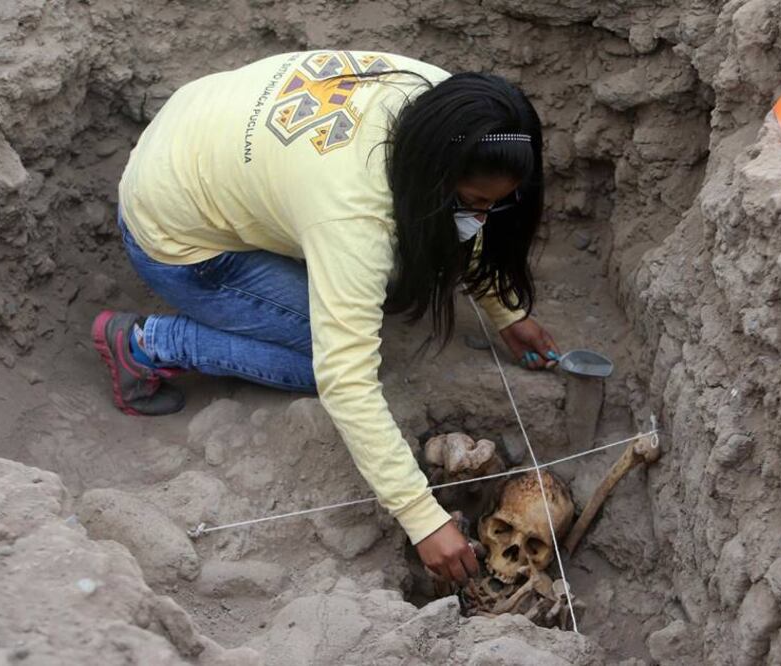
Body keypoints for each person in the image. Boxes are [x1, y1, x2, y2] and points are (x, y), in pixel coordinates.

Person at [91, 50, 561, 584]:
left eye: (495, 206)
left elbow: (470, 215)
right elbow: (346, 379)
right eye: (473, 201)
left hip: (200, 127)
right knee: (318, 362)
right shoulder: (352, 212)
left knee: (377, 277)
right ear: (434, 175)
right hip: (172, 231)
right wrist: (422, 518)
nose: (481, 218)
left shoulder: (448, 106)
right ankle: (148, 344)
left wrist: (505, 309)